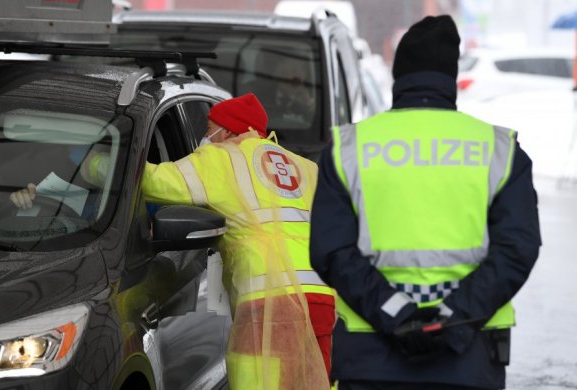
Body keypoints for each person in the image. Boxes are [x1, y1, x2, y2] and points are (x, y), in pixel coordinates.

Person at [309, 15, 541, 390]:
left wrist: (396, 313)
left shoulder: (349, 148)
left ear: (399, 76)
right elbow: (517, 248)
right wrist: (451, 319)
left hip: (372, 358)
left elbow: (332, 250)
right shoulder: (498, 149)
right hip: (469, 357)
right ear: (451, 79)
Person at [140, 93, 334, 389]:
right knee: (312, 382)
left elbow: (154, 181)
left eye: (208, 130)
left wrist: (97, 163)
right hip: (321, 299)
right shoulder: (305, 167)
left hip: (269, 301)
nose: (205, 138)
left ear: (227, 132)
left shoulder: (223, 157)